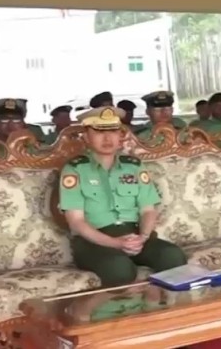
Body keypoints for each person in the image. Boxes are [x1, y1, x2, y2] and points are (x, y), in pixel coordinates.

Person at [58, 106, 187, 287]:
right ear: (86, 137)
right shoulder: (75, 169)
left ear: (121, 135)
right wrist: (115, 243)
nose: (107, 138)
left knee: (172, 255)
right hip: (94, 242)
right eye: (99, 132)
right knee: (119, 269)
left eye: (113, 131)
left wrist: (143, 237)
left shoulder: (133, 166)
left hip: (135, 235)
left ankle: (168, 303)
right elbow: (76, 222)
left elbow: (148, 210)